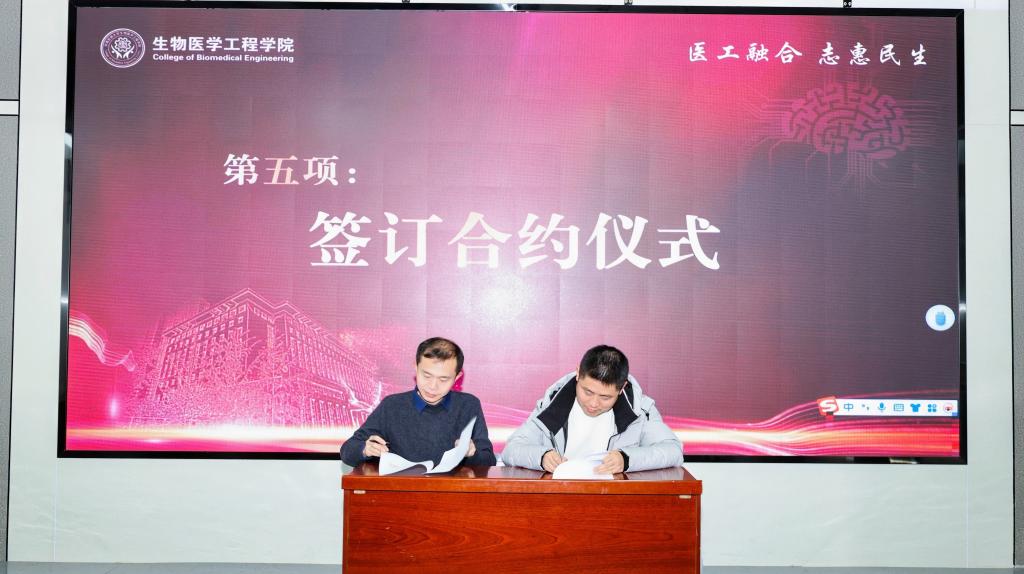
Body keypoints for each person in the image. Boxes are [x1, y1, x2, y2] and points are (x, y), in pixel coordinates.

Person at [501, 345, 682, 474]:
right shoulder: (552, 403)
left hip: (615, 500)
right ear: (578, 374)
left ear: (621, 388)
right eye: (587, 392)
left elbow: (673, 451)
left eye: (605, 397)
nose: (593, 403)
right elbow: (511, 450)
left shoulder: (641, 410)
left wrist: (626, 460)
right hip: (560, 496)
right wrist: (542, 457)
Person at [340, 337, 496, 468]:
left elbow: (489, 461)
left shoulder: (468, 405)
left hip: (452, 491)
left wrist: (472, 453)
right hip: (401, 491)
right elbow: (348, 451)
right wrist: (365, 449)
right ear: (416, 368)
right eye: (426, 376)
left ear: (457, 377)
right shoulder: (392, 406)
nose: (433, 386)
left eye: (443, 379)